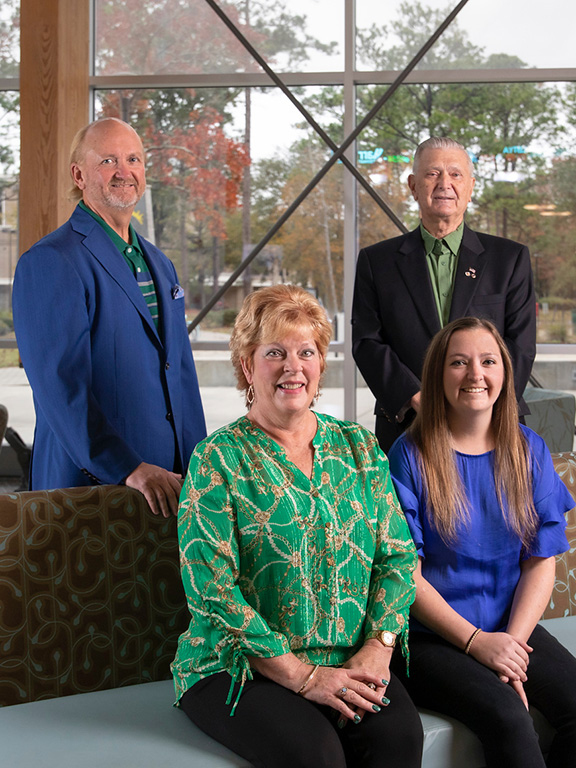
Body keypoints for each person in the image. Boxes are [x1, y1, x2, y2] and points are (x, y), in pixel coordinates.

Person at [171, 284, 423, 768]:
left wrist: (378, 647)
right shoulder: (217, 459)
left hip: (349, 657)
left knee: (399, 739)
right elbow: (212, 590)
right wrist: (302, 676)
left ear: (321, 364)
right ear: (247, 366)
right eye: (275, 353)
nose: (293, 367)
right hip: (236, 665)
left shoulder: (358, 447)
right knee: (316, 755)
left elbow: (396, 556)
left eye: (306, 352)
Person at [388, 316, 576, 768]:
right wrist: (477, 644)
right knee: (508, 717)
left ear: (505, 373)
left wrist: (508, 646)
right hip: (430, 638)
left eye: (488, 361)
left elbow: (540, 560)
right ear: (438, 375)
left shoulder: (527, 448)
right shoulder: (408, 455)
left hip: (508, 627)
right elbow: (405, 578)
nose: (476, 374)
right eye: (459, 362)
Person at [12, 118, 206, 516]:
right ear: (79, 175)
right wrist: (128, 467)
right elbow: (61, 387)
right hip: (92, 491)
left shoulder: (159, 263)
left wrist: (199, 470)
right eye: (108, 160)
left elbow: (180, 375)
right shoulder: (51, 261)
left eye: (133, 158)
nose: (124, 171)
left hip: (171, 488)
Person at [352, 136, 536, 452]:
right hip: (407, 424)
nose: (444, 183)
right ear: (412, 185)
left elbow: (520, 344)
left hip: (491, 426)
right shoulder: (376, 261)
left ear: (471, 186)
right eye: (432, 173)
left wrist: (480, 405)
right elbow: (367, 341)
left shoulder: (510, 258)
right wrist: (417, 399)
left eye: (455, 174)